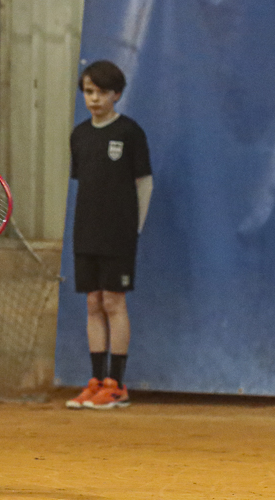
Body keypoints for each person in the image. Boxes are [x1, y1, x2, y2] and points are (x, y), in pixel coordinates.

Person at [65, 60, 153, 410]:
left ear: (116, 94)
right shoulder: (80, 135)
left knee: (114, 302)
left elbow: (143, 183)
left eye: (102, 92)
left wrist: (134, 227)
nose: (95, 98)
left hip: (119, 234)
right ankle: (96, 380)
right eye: (88, 91)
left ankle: (117, 384)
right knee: (93, 303)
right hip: (86, 231)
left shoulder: (130, 132)